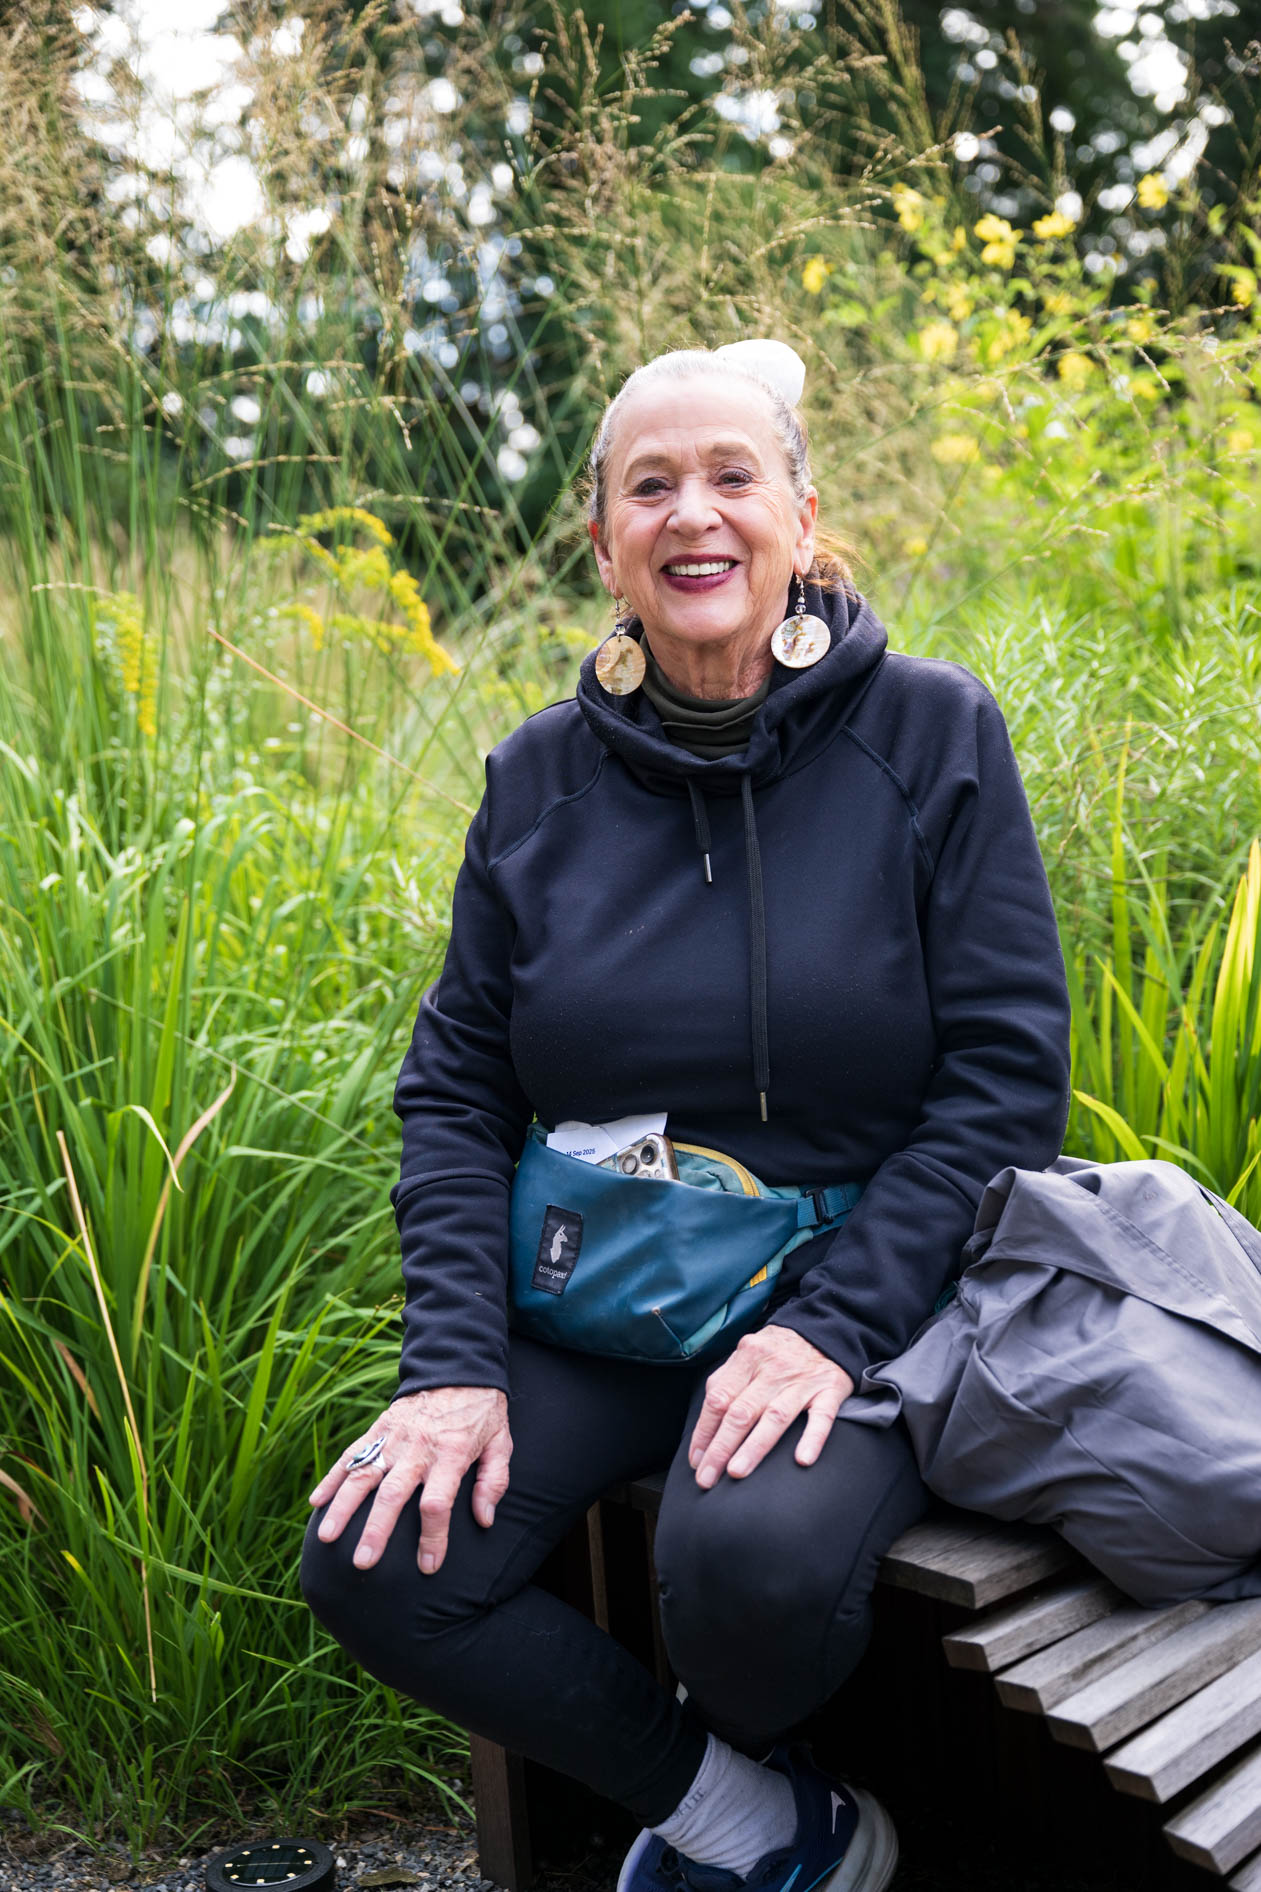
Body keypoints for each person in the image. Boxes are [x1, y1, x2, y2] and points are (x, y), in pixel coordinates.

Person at [300, 338, 1072, 1892]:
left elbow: (1003, 1077)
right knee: (381, 1555)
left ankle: (826, 1787)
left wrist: (830, 1326)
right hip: (617, 1282)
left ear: (798, 512)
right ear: (601, 539)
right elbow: (456, 1084)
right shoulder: (534, 780)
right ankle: (757, 1827)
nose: (691, 514)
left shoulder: (928, 734)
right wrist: (452, 1367)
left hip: (862, 1295)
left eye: (730, 476)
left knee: (743, 1568)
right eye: (648, 485)